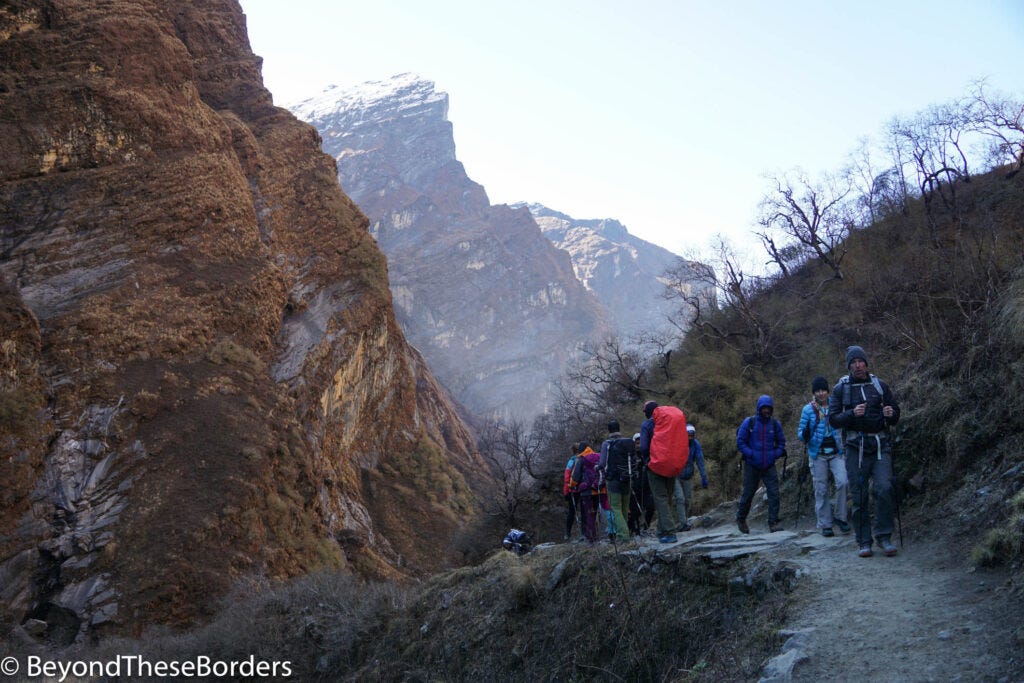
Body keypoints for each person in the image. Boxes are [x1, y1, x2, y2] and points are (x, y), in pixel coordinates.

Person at [829, 345, 901, 558]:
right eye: (853, 362)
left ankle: (884, 536)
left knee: (884, 489)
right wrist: (851, 413)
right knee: (859, 496)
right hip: (854, 447)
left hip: (880, 445)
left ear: (866, 363)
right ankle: (863, 541)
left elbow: (895, 413)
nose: (858, 365)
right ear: (848, 366)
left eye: (860, 361)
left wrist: (891, 412)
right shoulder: (840, 389)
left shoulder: (880, 385)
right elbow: (833, 419)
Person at [798, 375, 850, 537]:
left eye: (823, 390)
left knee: (843, 482)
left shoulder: (836, 405)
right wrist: (805, 433)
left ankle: (841, 517)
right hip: (817, 454)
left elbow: (844, 422)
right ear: (814, 393)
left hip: (836, 453)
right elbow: (801, 434)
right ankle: (825, 524)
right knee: (821, 489)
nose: (821, 393)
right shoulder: (808, 410)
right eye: (817, 391)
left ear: (828, 391)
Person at [639, 401, 688, 543]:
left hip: (655, 466)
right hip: (672, 464)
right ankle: (661, 530)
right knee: (668, 497)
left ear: (647, 412)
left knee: (660, 498)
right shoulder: (670, 422)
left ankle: (670, 532)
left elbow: (643, 446)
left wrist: (648, 460)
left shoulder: (647, 425)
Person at [736, 395, 785, 533]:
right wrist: (750, 454)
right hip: (752, 464)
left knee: (774, 493)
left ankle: (773, 522)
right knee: (748, 493)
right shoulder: (749, 422)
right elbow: (740, 441)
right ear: (759, 408)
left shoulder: (775, 424)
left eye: (768, 408)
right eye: (764, 408)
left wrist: (775, 454)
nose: (766, 410)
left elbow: (781, 442)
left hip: (769, 465)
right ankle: (741, 518)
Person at [599, 420, 634, 542]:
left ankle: (623, 535)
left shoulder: (606, 444)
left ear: (609, 430)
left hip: (613, 479)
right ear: (619, 428)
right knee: (625, 507)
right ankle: (624, 533)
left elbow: (602, 463)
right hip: (627, 478)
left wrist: (597, 467)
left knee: (615, 508)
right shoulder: (627, 442)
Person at [570, 441, 607, 544]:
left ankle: (592, 538)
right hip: (600, 490)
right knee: (600, 513)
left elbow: (575, 477)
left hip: (587, 492)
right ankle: (604, 536)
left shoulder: (581, 459)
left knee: (589, 514)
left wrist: (572, 485)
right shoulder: (598, 456)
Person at [673, 424, 708, 531]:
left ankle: (684, 520)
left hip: (687, 475)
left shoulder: (695, 445)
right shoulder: (677, 444)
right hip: (675, 475)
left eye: (692, 435)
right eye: (688, 435)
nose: (690, 438)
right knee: (680, 498)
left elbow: (700, 460)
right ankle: (683, 523)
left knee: (687, 500)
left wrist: (704, 477)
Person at [628, 432, 654, 535]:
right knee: (635, 512)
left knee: (651, 507)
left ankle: (646, 527)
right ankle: (635, 530)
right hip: (635, 487)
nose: (639, 445)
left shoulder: (647, 454)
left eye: (640, 443)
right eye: (637, 443)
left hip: (647, 486)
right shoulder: (630, 456)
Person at [562, 443, 582, 541]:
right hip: (583, 489)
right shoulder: (584, 459)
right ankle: (585, 532)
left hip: (572, 489)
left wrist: (566, 491)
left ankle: (567, 533)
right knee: (584, 511)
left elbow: (566, 477)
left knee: (571, 511)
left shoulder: (571, 461)